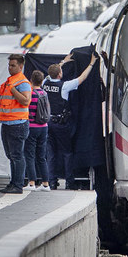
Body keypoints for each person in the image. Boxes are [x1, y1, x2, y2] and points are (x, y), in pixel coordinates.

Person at [42, 51, 98, 189]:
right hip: (61, 124)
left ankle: (52, 182)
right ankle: (69, 182)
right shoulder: (64, 86)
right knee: (67, 153)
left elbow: (50, 74)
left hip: (47, 123)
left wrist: (62, 62)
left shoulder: (44, 83)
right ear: (60, 74)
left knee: (51, 154)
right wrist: (91, 63)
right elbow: (82, 78)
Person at [0, 54, 31, 194]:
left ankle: (18, 185)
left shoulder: (21, 82)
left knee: (17, 155)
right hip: (7, 123)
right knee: (11, 155)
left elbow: (25, 101)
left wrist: (14, 90)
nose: (10, 68)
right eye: (9, 65)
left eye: (13, 65)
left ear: (21, 67)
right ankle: (14, 183)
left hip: (17, 124)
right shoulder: (10, 81)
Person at [23, 70, 51, 192]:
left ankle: (32, 182)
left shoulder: (31, 94)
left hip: (32, 127)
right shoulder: (44, 93)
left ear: (31, 80)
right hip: (44, 127)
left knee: (29, 155)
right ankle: (45, 183)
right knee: (41, 156)